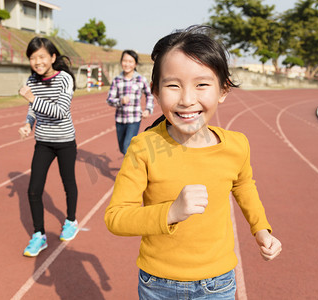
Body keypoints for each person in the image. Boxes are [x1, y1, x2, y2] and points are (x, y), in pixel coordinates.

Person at [104, 26, 282, 299]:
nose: (187, 100)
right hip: (158, 284)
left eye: (201, 84)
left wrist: (261, 229)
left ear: (223, 90)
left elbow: (244, 185)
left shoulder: (236, 145)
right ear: (155, 91)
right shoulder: (144, 148)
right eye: (173, 85)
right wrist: (171, 212)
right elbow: (115, 218)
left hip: (218, 283)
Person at [18, 37, 79, 257]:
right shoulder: (32, 80)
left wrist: (33, 98)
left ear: (53, 57)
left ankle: (71, 220)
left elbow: (60, 111)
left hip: (64, 141)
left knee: (68, 181)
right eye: (33, 58)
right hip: (43, 141)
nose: (37, 61)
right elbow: (33, 110)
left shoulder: (64, 79)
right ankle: (38, 235)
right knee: (33, 189)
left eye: (41, 56)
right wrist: (28, 124)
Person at [106, 50, 154, 155]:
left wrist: (148, 109)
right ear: (121, 62)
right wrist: (120, 101)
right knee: (122, 148)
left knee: (126, 147)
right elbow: (109, 99)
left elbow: (149, 94)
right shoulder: (117, 80)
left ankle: (130, 170)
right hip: (120, 119)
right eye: (125, 61)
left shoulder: (140, 79)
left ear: (135, 64)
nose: (127, 64)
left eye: (130, 61)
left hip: (134, 119)